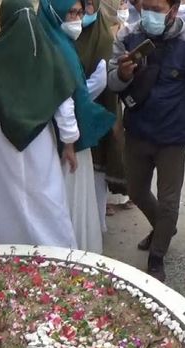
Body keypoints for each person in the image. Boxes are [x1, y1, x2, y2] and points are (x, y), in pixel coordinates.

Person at [107, 0, 185, 281]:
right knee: (136, 191)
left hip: (173, 137)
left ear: (174, 10)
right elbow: (112, 82)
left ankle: (157, 255)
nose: (149, 13)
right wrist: (123, 74)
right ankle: (164, 227)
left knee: (169, 202)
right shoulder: (127, 35)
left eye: (157, 7)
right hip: (138, 131)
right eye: (145, 5)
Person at [0, 0, 79, 247]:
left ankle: (7, 255)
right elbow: (64, 105)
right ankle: (56, 253)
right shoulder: (50, 54)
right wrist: (69, 144)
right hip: (39, 143)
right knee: (45, 197)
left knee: (3, 199)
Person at [40, 0, 117, 254]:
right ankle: (74, 252)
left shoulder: (58, 41)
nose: (76, 19)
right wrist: (71, 141)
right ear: (55, 11)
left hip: (67, 136)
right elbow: (65, 99)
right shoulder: (56, 47)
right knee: (71, 198)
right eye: (71, 12)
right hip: (66, 141)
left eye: (80, 12)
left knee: (76, 197)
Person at [76, 0, 126, 235]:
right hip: (74, 112)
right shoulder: (67, 32)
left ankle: (95, 226)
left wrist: (68, 98)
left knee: (95, 171)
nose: (81, 14)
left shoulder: (103, 38)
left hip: (94, 110)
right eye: (77, 9)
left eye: (86, 7)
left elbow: (99, 82)